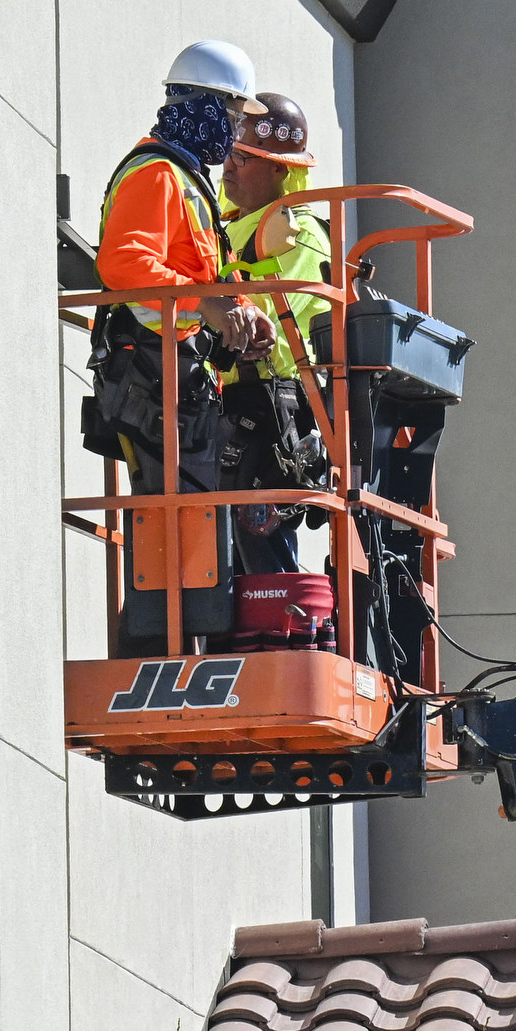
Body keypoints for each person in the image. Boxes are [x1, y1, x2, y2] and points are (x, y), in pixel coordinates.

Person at [88, 40, 264, 649]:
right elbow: (126, 263)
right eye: (233, 115)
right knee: (171, 519)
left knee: (193, 515)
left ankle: (189, 639)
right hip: (146, 378)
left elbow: (197, 272)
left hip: (176, 380)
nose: (237, 131)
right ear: (207, 108)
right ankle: (159, 646)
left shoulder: (188, 181)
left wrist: (239, 308)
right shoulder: (158, 173)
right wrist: (207, 305)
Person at [215, 90, 336, 577]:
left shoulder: (298, 230)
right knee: (219, 537)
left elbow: (270, 327)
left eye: (243, 158)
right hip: (231, 397)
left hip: (272, 400)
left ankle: (290, 622)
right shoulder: (234, 227)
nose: (228, 167)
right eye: (228, 153)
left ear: (282, 171)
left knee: (256, 528)